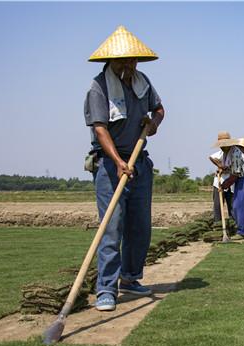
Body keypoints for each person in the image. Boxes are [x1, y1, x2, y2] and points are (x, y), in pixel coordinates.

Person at [84, 26, 165, 311]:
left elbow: (159, 109)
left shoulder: (143, 82)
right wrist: (118, 162)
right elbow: (100, 129)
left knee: (140, 227)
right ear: (110, 62)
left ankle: (130, 278)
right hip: (110, 164)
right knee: (112, 227)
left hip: (139, 163)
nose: (129, 65)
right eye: (123, 61)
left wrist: (153, 124)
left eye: (132, 60)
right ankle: (106, 288)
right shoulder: (99, 87)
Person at [221, 138, 244, 238]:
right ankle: (242, 230)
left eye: (222, 146)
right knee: (236, 206)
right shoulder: (232, 153)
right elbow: (233, 169)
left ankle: (242, 232)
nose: (221, 148)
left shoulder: (236, 153)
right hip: (241, 180)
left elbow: (235, 174)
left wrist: (225, 184)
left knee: (240, 207)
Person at [209, 131, 233, 222]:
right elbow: (211, 157)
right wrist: (219, 165)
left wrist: (226, 168)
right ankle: (218, 225)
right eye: (221, 145)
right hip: (219, 182)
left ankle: (233, 225)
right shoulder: (220, 153)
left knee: (232, 205)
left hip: (231, 182)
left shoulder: (234, 153)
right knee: (218, 206)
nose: (222, 147)